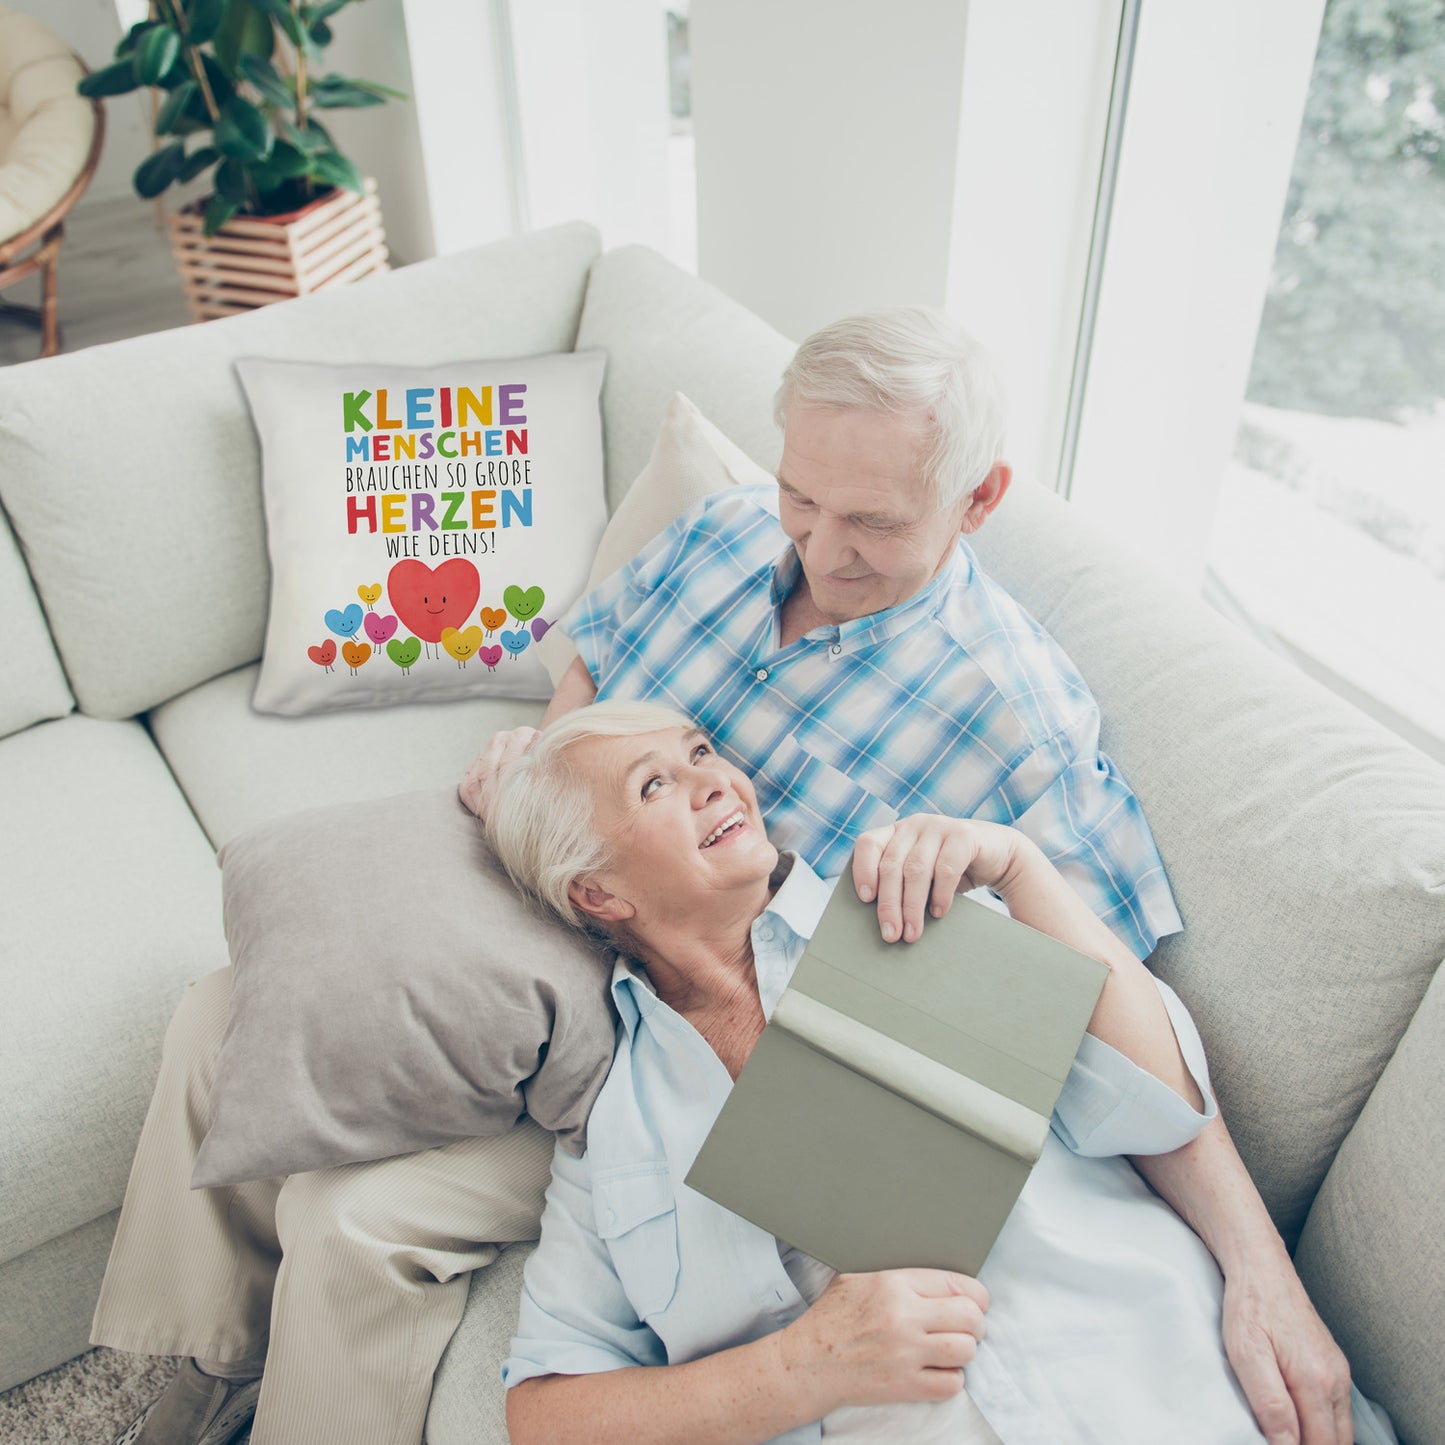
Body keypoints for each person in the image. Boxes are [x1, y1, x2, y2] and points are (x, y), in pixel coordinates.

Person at [94, 309, 1349, 1445]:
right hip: (580, 888)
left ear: (976, 501)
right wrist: (545, 765)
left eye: (871, 520)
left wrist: (1259, 1266)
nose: (819, 545)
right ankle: (194, 1362)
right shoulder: (725, 532)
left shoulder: (1017, 725)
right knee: (229, 1007)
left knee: (355, 1218)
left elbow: (1103, 1020)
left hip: (694, 1013)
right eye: (804, 495)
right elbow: (594, 668)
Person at [486, 701, 1385, 1445]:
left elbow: (1158, 1106)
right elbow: (545, 1413)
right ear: (597, 893)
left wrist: (1021, 869)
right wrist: (803, 1367)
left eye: (700, 752)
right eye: (655, 784)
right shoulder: (615, 1132)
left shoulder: (908, 907)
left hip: (1172, 1392)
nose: (714, 779)